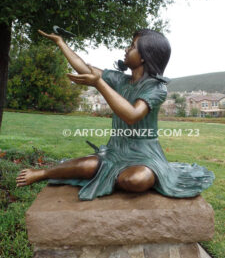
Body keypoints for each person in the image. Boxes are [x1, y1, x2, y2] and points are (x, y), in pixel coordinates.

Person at [16, 29, 214, 200]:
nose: (127, 49)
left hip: (145, 154)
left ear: (144, 56)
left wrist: (99, 84)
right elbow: (84, 67)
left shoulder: (156, 88)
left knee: (136, 179)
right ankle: (43, 173)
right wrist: (61, 42)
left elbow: (132, 115)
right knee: (87, 164)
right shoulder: (120, 80)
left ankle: (107, 175)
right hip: (116, 150)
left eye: (132, 46)